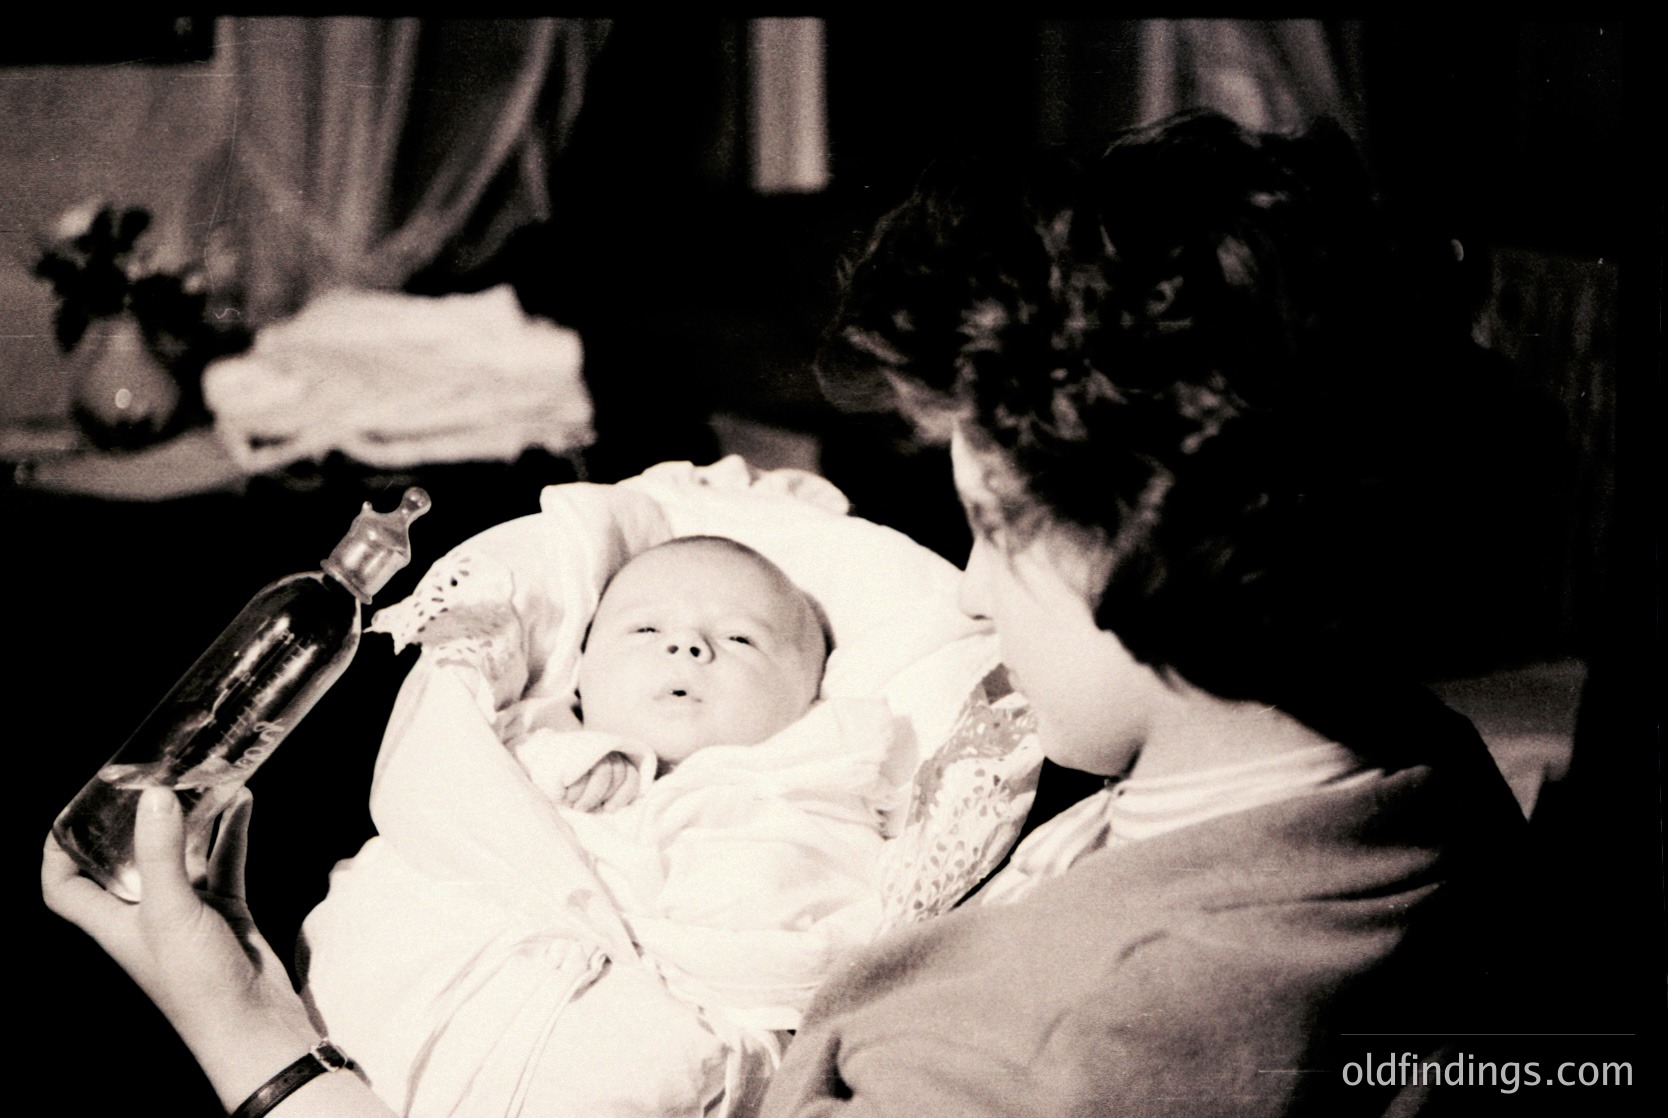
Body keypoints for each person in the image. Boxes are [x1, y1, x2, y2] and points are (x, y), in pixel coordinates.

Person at [42, 110, 1535, 1118]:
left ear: (1129, 548)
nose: (967, 582)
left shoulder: (1052, 1056)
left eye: (994, 529)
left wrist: (248, 1030)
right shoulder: (1418, 775)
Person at [296, 533, 900, 1117]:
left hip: (646, 1035)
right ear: (582, 669)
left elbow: (826, 936)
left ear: (812, 691)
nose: (687, 646)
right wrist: (562, 761)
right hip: (454, 985)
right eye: (646, 629)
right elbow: (449, 808)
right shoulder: (532, 745)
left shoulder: (814, 790)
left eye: (741, 639)